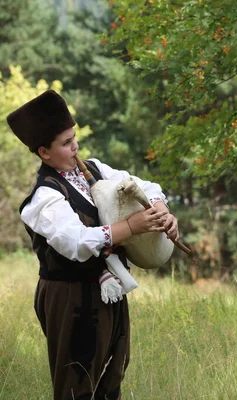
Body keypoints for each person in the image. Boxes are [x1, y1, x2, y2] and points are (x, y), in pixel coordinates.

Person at [7, 89, 179, 400]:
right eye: (65, 143)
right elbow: (76, 242)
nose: (75, 148)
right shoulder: (44, 197)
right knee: (77, 382)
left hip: (109, 289)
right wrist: (130, 227)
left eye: (74, 138)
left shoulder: (96, 169)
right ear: (44, 152)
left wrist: (160, 209)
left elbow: (145, 185)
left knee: (112, 374)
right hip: (70, 296)